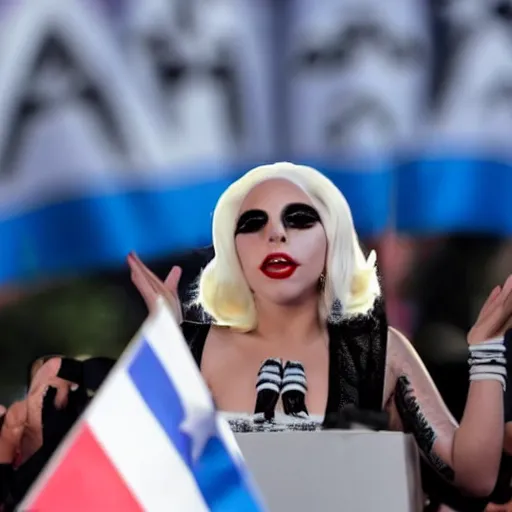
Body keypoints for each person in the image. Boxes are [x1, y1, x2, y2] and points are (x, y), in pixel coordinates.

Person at [128, 161, 512, 497]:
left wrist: (487, 350)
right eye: (252, 223)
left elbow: (472, 476)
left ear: (334, 242)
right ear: (233, 252)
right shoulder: (188, 350)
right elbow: (140, 472)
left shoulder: (379, 354)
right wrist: (164, 348)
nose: (275, 235)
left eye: (298, 219)